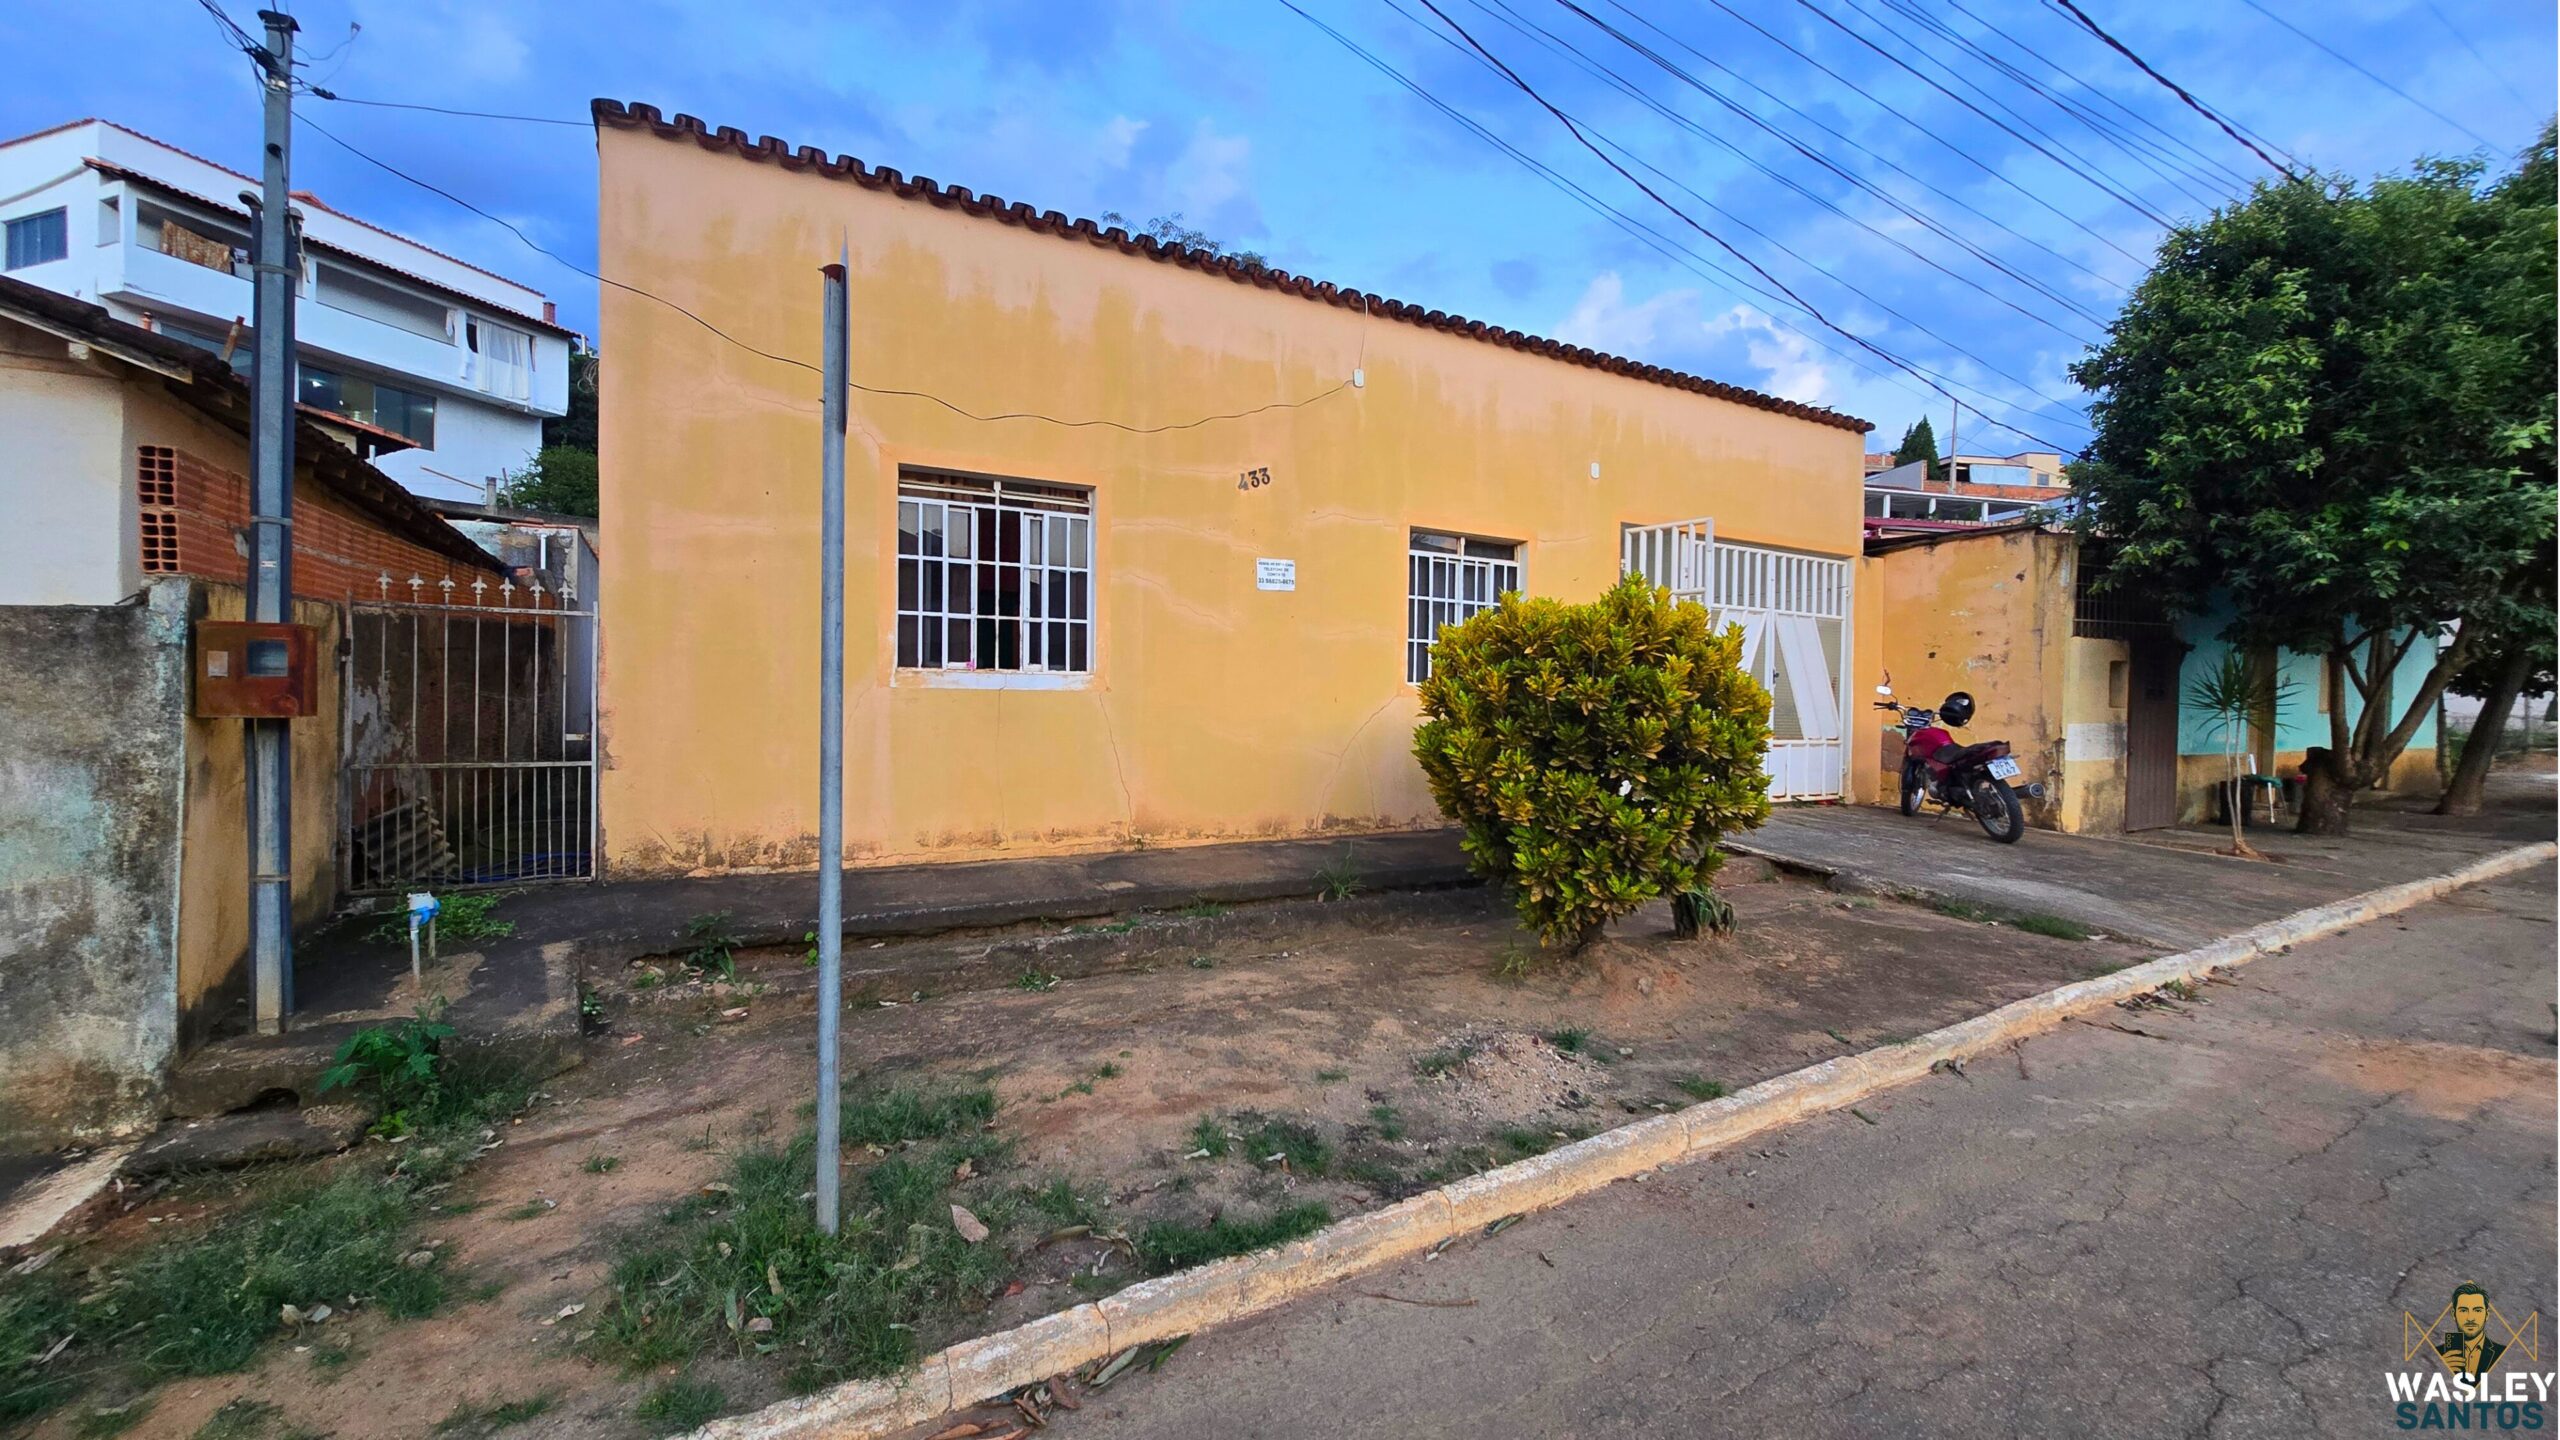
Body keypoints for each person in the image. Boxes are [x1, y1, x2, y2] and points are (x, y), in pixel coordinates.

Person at [2437, 1283, 2508, 1376]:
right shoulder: (2438, 1354)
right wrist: (2438, 1367)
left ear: (2487, 1315)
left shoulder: (2502, 1353)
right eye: (2463, 1310)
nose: (2470, 1318)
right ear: (2454, 1314)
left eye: (2477, 1310)